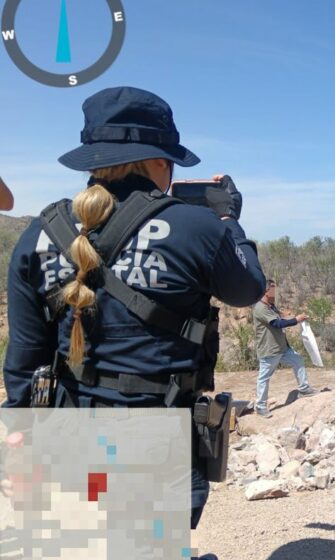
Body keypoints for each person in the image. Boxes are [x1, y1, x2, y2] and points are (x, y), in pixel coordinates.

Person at [0, 86, 266, 560]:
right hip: (153, 437)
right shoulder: (196, 226)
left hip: (65, 433)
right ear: (159, 162)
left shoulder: (41, 233)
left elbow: (24, 359)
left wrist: (17, 438)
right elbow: (248, 289)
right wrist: (228, 220)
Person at [253, 280, 319, 417]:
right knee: (264, 377)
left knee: (298, 360)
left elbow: (280, 317)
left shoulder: (270, 306)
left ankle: (304, 389)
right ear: (266, 291)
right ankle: (260, 406)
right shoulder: (260, 308)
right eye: (272, 290)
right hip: (270, 350)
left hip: (281, 347)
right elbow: (277, 323)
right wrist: (296, 320)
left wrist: (292, 317)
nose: (275, 293)